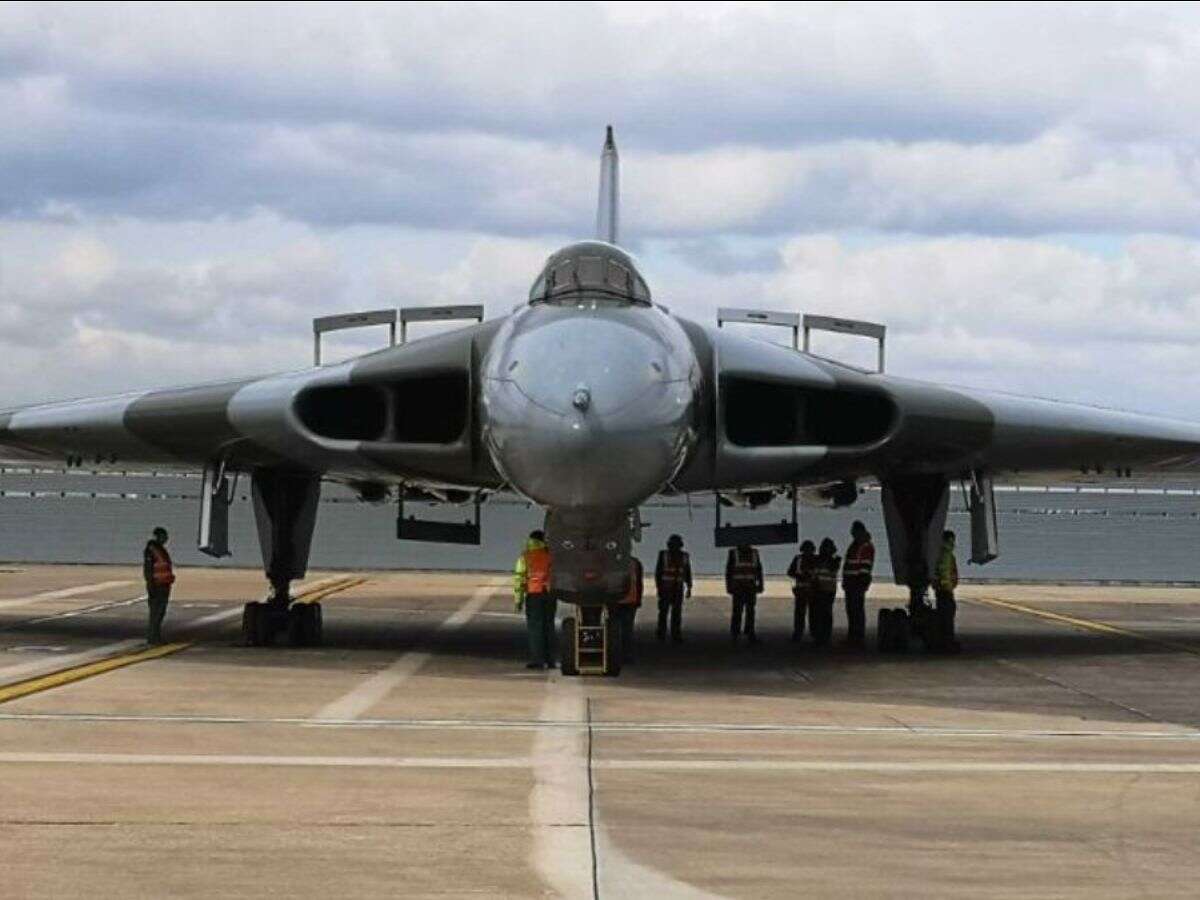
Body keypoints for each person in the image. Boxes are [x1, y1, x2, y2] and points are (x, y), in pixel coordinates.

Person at [513, 530, 556, 669]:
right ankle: (551, 660)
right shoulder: (550, 555)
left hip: (534, 594)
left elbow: (519, 580)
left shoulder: (525, 557)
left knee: (535, 628)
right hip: (549, 594)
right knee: (549, 626)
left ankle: (538, 659)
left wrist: (518, 601)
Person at [840, 521, 875, 649]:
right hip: (851, 582)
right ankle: (853, 636)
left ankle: (857, 637)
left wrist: (861, 582)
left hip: (857, 583)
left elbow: (865, 566)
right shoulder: (857, 544)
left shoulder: (864, 546)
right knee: (852, 611)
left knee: (856, 611)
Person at [654, 534, 692, 642]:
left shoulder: (683, 556)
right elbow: (658, 573)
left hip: (674, 589)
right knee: (666, 613)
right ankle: (666, 634)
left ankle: (671, 634)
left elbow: (687, 573)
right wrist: (689, 587)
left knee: (673, 613)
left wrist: (689, 587)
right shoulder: (664, 555)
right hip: (667, 589)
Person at [143, 526, 175, 645]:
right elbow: (148, 569)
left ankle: (155, 635)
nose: (166, 539)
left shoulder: (159, 549)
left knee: (160, 612)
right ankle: (153, 637)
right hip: (157, 586)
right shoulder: (153, 550)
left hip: (163, 584)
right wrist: (150, 585)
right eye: (164, 536)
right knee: (156, 612)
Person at [725, 544, 763, 643]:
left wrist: (760, 584)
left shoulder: (754, 553)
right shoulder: (734, 553)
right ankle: (736, 633)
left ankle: (749, 632)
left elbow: (759, 569)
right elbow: (729, 571)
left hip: (749, 586)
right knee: (738, 611)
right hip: (739, 587)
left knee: (750, 611)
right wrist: (729, 586)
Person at [933, 530, 961, 653]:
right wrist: (946, 585)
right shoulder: (946, 553)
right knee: (947, 617)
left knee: (944, 616)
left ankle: (944, 641)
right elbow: (944, 570)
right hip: (945, 590)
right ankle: (946, 643)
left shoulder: (940, 552)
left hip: (943, 590)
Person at [811, 538, 841, 647]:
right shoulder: (832, 561)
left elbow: (815, 574)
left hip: (824, 590)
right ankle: (822, 636)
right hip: (825, 590)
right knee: (822, 614)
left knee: (822, 614)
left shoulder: (830, 561)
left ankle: (822, 636)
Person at [786, 540, 817, 642]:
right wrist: (800, 576)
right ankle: (800, 633)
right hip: (803, 590)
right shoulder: (800, 559)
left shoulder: (802, 559)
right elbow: (790, 572)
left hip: (809, 590)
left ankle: (807, 632)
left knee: (809, 613)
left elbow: (790, 572)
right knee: (802, 613)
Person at [615, 556, 644, 662]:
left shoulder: (611, 561)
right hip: (630, 601)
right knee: (627, 630)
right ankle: (626, 655)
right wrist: (638, 599)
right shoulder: (635, 562)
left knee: (616, 630)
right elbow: (639, 583)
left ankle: (618, 654)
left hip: (616, 601)